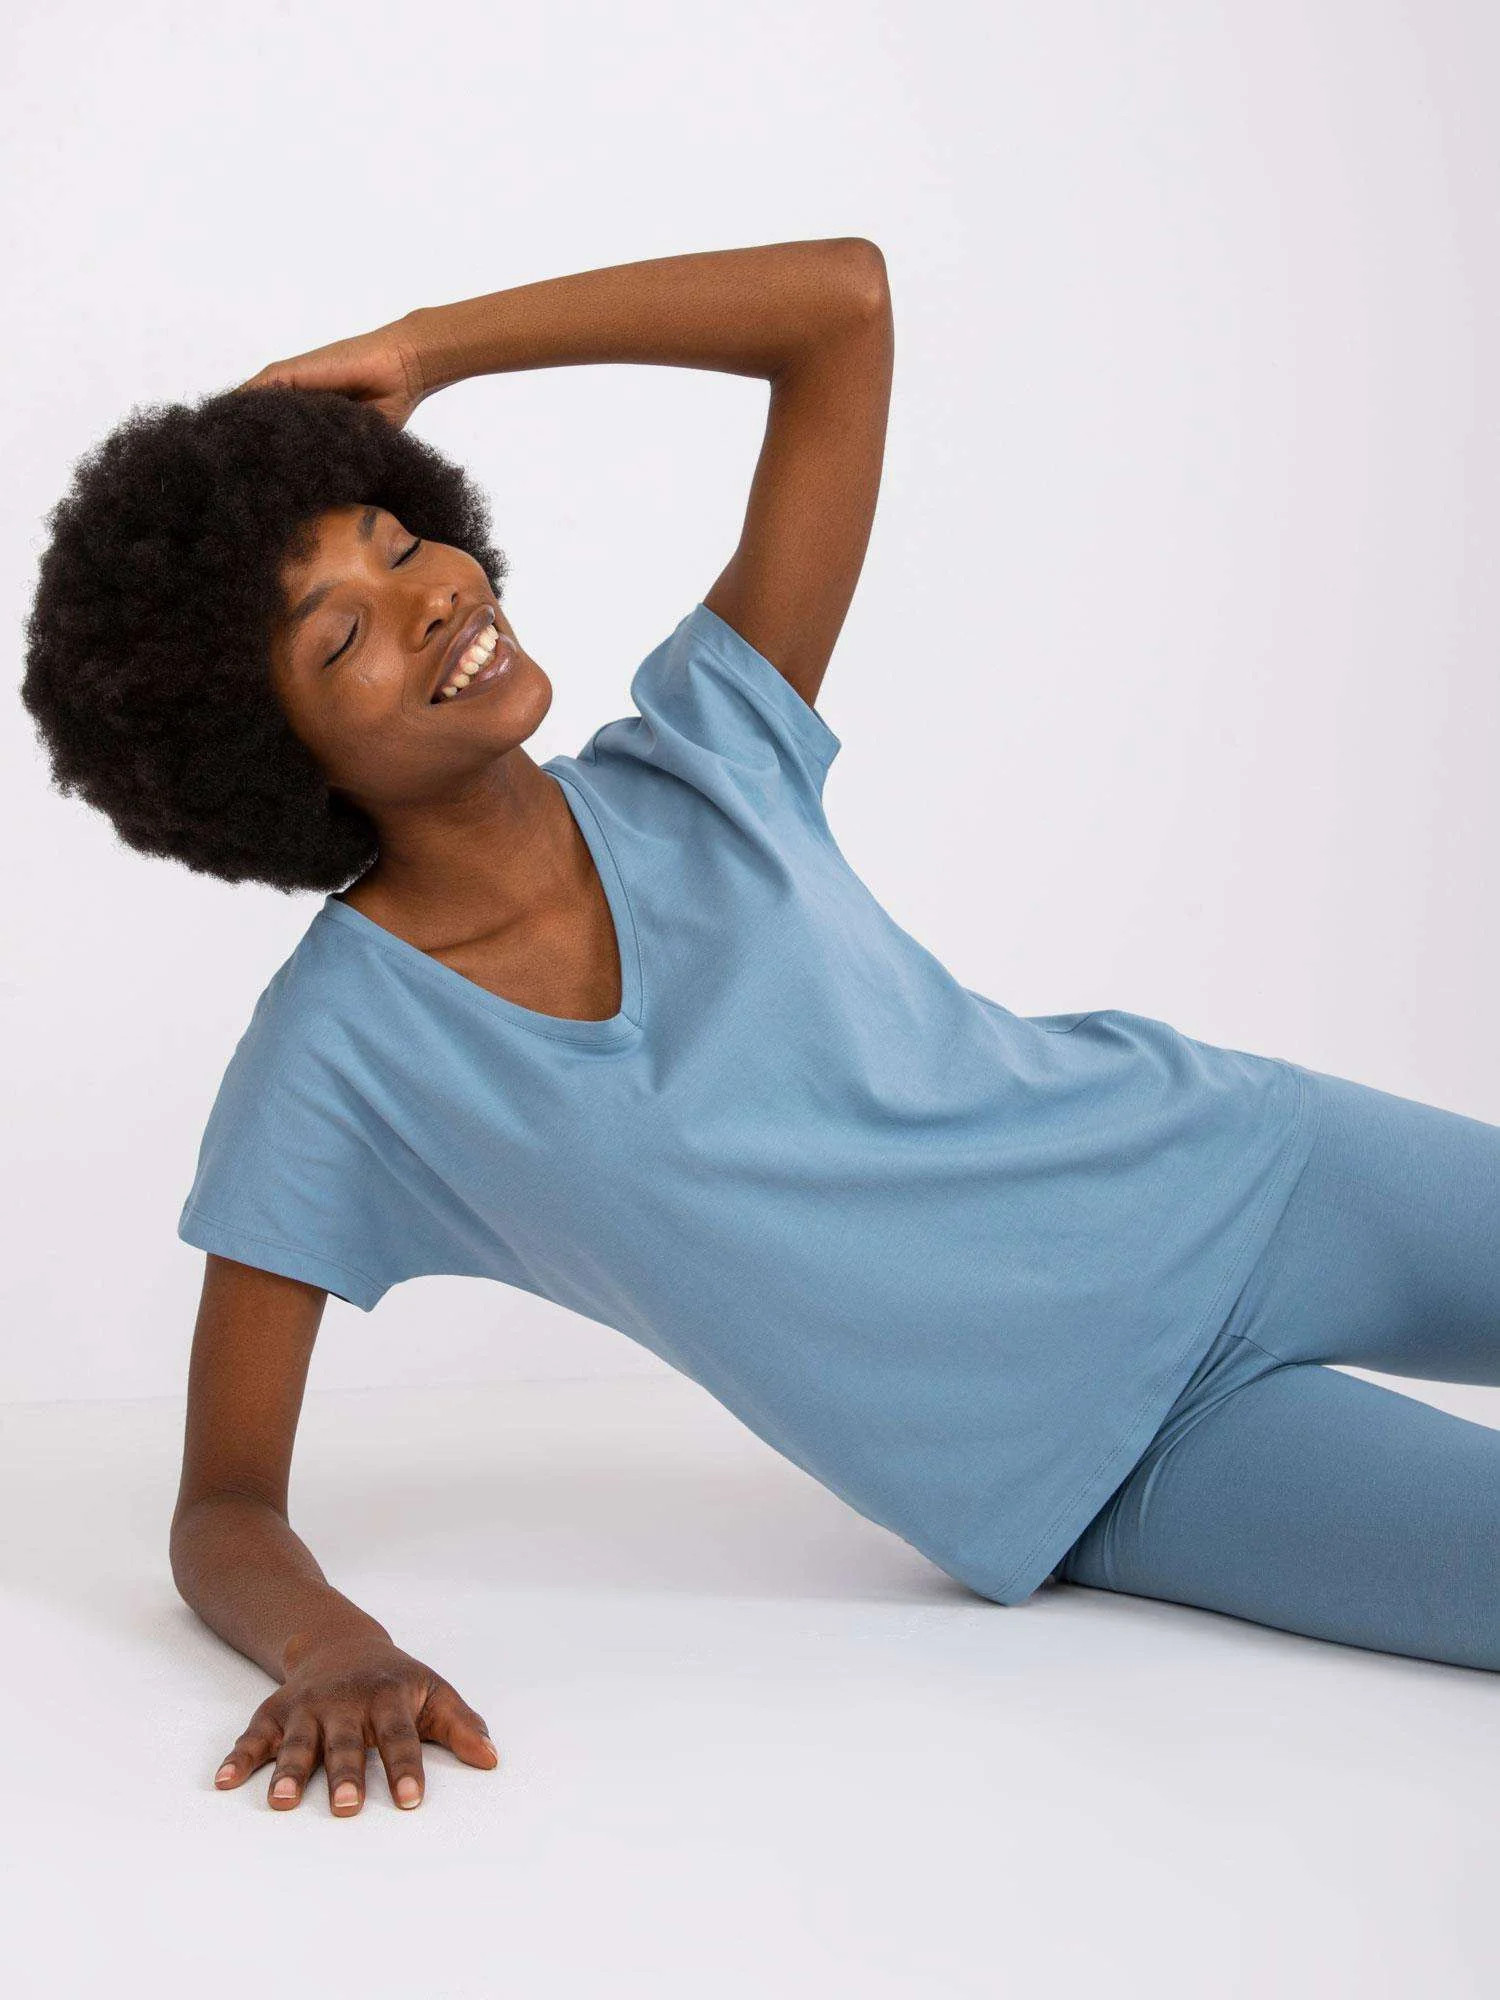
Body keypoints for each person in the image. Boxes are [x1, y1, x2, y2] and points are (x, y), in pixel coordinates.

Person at [20, 240, 1500, 1822]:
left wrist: (436, 348)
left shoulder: (708, 749)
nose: (433, 592)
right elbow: (224, 1505)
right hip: (1120, 1459)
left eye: (402, 541)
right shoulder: (340, 1061)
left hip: (1265, 1174)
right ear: (263, 757)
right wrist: (335, 1648)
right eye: (343, 634)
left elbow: (840, 310)